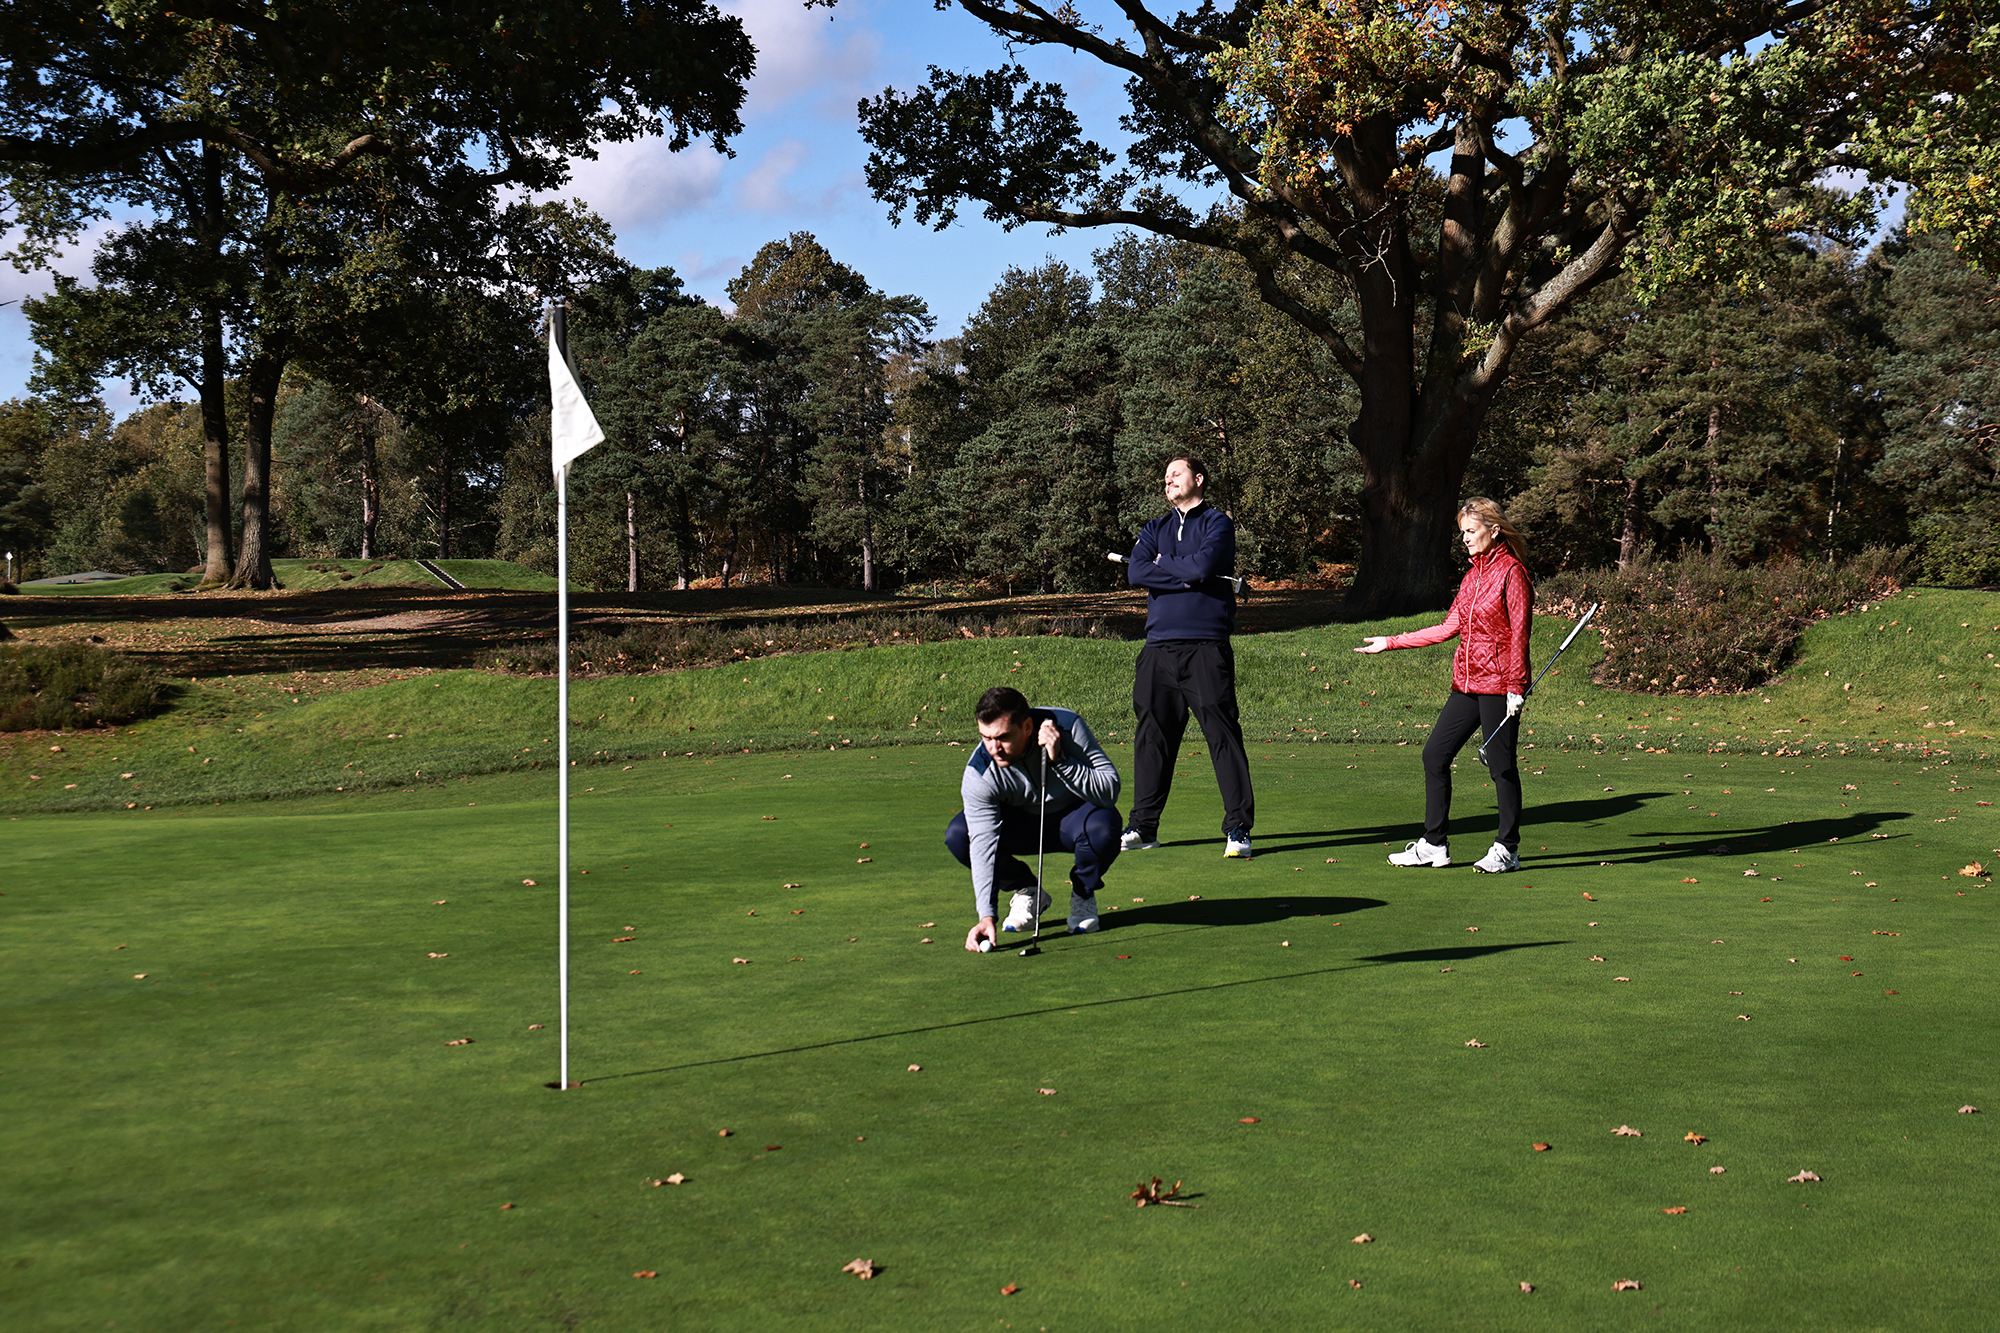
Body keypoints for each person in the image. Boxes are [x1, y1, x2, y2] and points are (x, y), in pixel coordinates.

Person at [1354, 497, 1533, 873]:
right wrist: (1391, 642)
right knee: (1434, 755)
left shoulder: (1511, 573)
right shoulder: (1472, 576)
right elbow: (1448, 627)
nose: (1465, 539)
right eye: (1462, 533)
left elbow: (1519, 635)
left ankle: (1507, 849)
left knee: (1500, 766)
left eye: (1471, 531)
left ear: (1493, 529)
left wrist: (1517, 686)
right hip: (1466, 683)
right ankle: (1434, 844)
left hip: (1500, 685)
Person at [1119, 454, 1255, 858]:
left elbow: (1204, 566)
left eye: (1175, 474)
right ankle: (1143, 826)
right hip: (1157, 648)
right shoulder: (1154, 528)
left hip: (1205, 647)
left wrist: (1170, 567)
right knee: (1151, 739)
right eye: (1164, 476)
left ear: (1198, 478)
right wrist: (1182, 572)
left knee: (1222, 736)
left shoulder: (1217, 523)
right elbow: (1136, 573)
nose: (1168, 480)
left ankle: (1238, 829)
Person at [948, 686, 1124, 952]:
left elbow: (1109, 790)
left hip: (1075, 820)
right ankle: (1027, 890)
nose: (994, 748)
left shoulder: (1067, 727)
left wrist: (1061, 761)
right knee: (960, 835)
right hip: (1021, 827)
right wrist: (986, 915)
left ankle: (1083, 893)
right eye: (986, 738)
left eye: (1003, 737)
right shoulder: (980, 772)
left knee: (1104, 827)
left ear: (1028, 727)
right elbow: (983, 843)